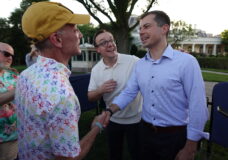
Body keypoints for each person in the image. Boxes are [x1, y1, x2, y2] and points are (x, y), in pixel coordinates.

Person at [105, 10, 209, 160]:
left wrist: (190, 146)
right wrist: (109, 111)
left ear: (164, 28)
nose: (141, 32)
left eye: (146, 26)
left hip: (175, 137)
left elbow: (198, 105)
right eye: (140, 28)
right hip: (144, 133)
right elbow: (129, 92)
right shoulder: (140, 65)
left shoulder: (186, 62)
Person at [15, 2, 107, 160]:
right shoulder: (62, 96)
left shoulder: (26, 75)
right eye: (75, 29)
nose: (81, 35)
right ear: (57, 39)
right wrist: (96, 127)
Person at [88, 30, 142, 160]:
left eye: (111, 40)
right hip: (112, 120)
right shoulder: (96, 70)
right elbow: (90, 97)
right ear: (98, 49)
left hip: (137, 119)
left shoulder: (133, 61)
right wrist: (100, 90)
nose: (110, 44)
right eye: (103, 42)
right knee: (114, 154)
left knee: (138, 155)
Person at [0, 42, 18, 160]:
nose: (10, 57)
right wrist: (21, 88)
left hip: (9, 136)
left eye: (12, 55)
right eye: (6, 54)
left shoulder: (14, 75)